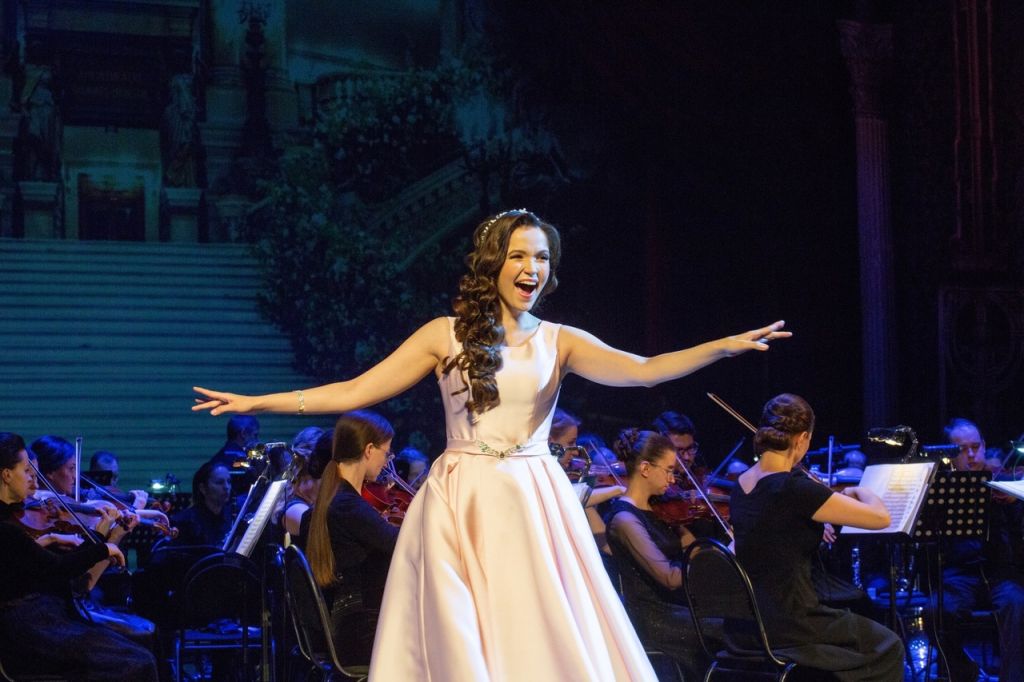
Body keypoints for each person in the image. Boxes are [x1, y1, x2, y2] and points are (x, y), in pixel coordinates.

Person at [193, 208, 791, 680]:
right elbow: (355, 389)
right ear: (492, 263)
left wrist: (720, 347)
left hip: (534, 498)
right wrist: (258, 403)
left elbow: (644, 369)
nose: (532, 268)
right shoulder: (444, 335)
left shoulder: (559, 339)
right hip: (461, 497)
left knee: (539, 631)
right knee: (463, 636)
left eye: (542, 257)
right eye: (519, 255)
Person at [729, 393, 904, 681]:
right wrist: (861, 490)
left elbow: (774, 531)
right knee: (888, 645)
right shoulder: (795, 488)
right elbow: (880, 518)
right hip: (794, 621)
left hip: (751, 621)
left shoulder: (741, 484)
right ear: (802, 439)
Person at [0, 432, 158, 681]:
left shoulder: (13, 521)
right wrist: (102, 545)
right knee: (137, 662)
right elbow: (59, 568)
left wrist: (95, 538)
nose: (34, 481)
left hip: (45, 616)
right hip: (29, 628)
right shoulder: (7, 528)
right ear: (7, 475)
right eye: (27, 471)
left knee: (137, 655)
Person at [604, 427, 714, 681]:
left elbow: (692, 547)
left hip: (677, 608)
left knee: (734, 623)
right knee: (729, 631)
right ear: (645, 468)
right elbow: (669, 577)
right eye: (669, 471)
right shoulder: (624, 519)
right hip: (654, 618)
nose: (673, 480)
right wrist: (712, 566)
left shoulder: (662, 510)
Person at [306, 411, 399, 666]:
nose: (387, 462)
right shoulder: (347, 505)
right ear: (369, 450)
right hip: (362, 630)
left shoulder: (337, 498)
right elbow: (400, 544)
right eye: (386, 453)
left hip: (354, 621)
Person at [937, 417, 1024, 681]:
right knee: (936, 610)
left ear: (984, 446)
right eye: (963, 450)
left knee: (1017, 605)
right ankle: (964, 670)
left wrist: (1014, 504)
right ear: (950, 453)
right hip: (960, 574)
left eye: (976, 447)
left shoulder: (1005, 481)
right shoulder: (941, 487)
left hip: (1001, 573)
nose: (972, 455)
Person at [170, 461, 232, 547]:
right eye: (219, 482)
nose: (226, 487)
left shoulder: (232, 517)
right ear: (203, 488)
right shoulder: (183, 522)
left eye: (229, 482)